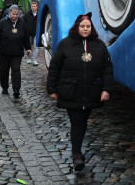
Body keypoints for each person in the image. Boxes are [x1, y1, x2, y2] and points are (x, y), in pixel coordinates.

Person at [46, 13, 113, 171]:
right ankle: (76, 154)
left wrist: (106, 89)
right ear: (77, 27)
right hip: (71, 91)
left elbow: (107, 69)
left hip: (91, 92)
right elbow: (54, 67)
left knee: (82, 122)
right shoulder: (66, 44)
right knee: (76, 122)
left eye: (88, 26)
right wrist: (52, 88)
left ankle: (77, 151)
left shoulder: (99, 45)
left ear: (91, 28)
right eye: (82, 26)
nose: (85, 29)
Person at [0, 5, 31, 98]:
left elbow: (26, 37)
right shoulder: (2, 23)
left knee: (16, 70)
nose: (15, 16)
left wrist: (28, 48)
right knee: (4, 70)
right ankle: (4, 87)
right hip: (4, 52)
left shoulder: (22, 23)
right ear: (9, 13)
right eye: (13, 14)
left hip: (17, 52)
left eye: (17, 14)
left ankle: (16, 89)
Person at [24, 1, 39, 65]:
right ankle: (29, 58)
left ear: (37, 7)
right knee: (28, 46)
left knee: (36, 46)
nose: (33, 7)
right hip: (29, 33)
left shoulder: (39, 15)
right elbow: (22, 21)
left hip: (36, 33)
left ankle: (35, 59)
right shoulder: (27, 14)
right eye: (32, 6)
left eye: (34, 6)